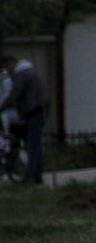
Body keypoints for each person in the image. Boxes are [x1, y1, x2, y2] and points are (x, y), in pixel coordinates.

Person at [0, 55, 47, 185]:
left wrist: (1, 108)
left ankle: (31, 176)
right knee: (33, 145)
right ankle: (37, 176)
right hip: (36, 112)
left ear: (11, 63)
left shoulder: (23, 75)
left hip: (33, 113)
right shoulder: (29, 72)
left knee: (33, 146)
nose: (8, 71)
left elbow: (14, 95)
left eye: (7, 67)